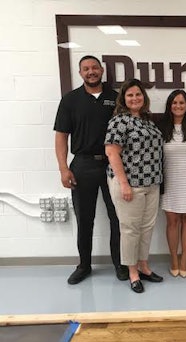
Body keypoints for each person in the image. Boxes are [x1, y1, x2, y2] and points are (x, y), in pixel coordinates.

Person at [54, 55, 128, 285]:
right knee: (85, 219)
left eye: (95, 67)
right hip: (83, 165)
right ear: (80, 73)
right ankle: (84, 265)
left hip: (112, 165)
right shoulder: (70, 100)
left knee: (117, 218)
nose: (91, 71)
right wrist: (63, 168)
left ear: (102, 70)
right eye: (86, 68)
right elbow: (61, 137)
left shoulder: (115, 99)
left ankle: (121, 264)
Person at [105, 78, 164, 294]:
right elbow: (111, 152)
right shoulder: (119, 121)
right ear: (124, 99)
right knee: (130, 230)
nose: (135, 98)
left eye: (138, 94)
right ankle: (132, 273)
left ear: (143, 97)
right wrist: (124, 184)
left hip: (151, 183)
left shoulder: (148, 121)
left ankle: (144, 266)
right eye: (130, 95)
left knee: (147, 228)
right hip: (130, 185)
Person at [157, 90, 186, 278]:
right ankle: (173, 259)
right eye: (174, 103)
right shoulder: (161, 127)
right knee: (172, 222)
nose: (178, 106)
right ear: (169, 105)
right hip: (169, 182)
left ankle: (184, 259)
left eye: (182, 103)